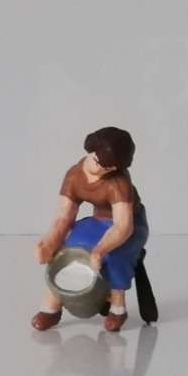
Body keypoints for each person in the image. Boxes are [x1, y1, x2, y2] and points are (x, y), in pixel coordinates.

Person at [33, 127, 149, 332]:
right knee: (64, 252)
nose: (102, 170)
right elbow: (64, 216)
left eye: (109, 168)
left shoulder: (118, 183)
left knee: (113, 256)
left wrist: (100, 250)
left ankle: (118, 308)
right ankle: (51, 308)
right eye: (98, 162)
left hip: (129, 225)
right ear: (91, 150)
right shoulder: (74, 176)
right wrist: (48, 243)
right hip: (98, 221)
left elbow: (123, 227)